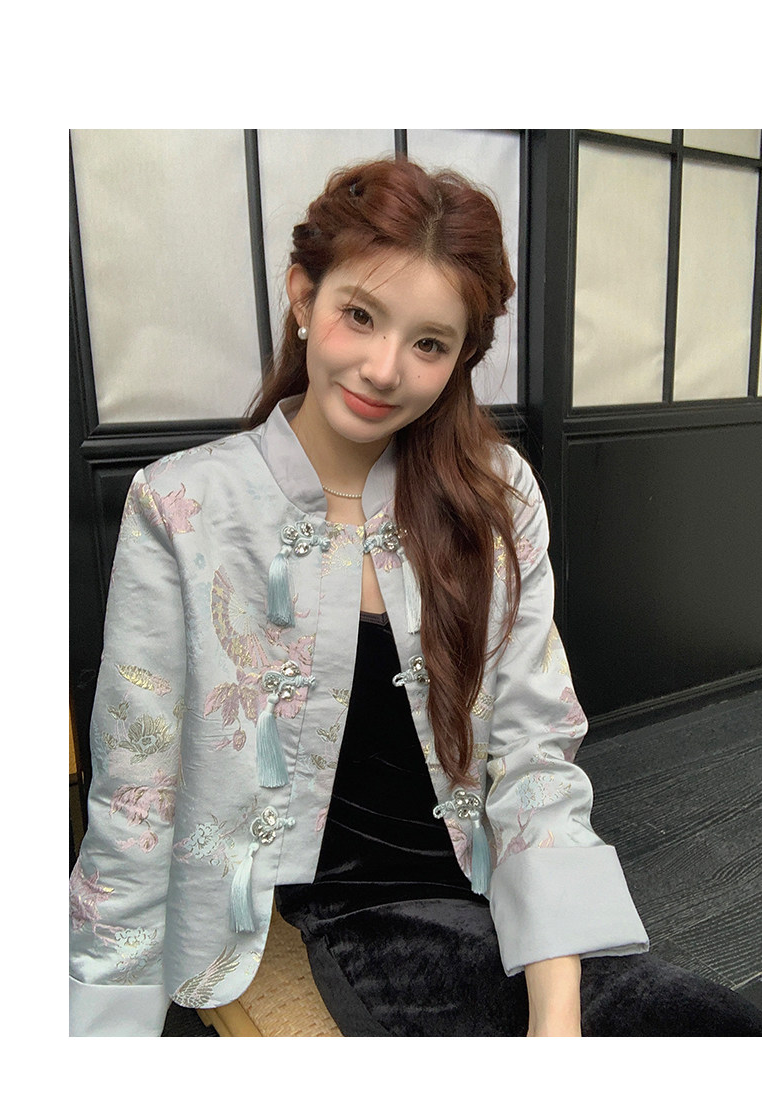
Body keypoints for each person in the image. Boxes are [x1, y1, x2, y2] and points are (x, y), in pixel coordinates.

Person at [69, 156, 762, 1037]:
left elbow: (536, 750)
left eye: (429, 343)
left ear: (461, 357)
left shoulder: (496, 494)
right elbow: (135, 803)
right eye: (360, 315)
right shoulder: (182, 505)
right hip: (358, 924)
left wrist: (556, 1015)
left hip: (497, 884)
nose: (384, 368)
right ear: (303, 296)